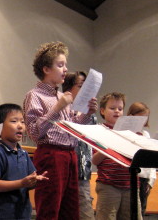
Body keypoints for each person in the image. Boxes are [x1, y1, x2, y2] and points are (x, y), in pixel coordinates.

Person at [23, 41, 97, 220]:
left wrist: (88, 112)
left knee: (70, 211)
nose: (65, 69)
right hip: (51, 155)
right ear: (46, 69)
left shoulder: (60, 96)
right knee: (50, 209)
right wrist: (57, 108)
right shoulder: (35, 95)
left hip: (70, 155)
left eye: (65, 65)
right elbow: (34, 132)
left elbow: (73, 125)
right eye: (60, 65)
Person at [0, 103, 49, 220]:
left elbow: (29, 179)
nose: (20, 126)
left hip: (23, 214)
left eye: (22, 121)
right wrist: (21, 183)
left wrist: (36, 181)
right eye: (14, 121)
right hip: (3, 215)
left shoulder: (24, 153)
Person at [92, 92, 142, 220]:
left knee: (132, 215)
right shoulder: (99, 131)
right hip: (109, 184)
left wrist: (136, 139)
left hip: (130, 184)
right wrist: (109, 144)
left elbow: (136, 157)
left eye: (120, 109)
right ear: (102, 111)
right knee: (107, 216)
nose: (117, 111)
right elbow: (95, 160)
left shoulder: (129, 132)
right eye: (112, 108)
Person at [63, 71, 95, 220]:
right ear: (68, 88)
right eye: (81, 86)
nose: (86, 91)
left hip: (82, 172)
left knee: (85, 213)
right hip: (64, 170)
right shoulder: (62, 109)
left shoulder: (90, 114)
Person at [128, 102, 156, 216]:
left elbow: (152, 160)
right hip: (132, 177)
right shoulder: (128, 133)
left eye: (145, 117)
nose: (143, 120)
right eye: (140, 117)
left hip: (144, 179)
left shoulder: (146, 135)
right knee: (131, 210)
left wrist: (151, 181)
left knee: (141, 210)